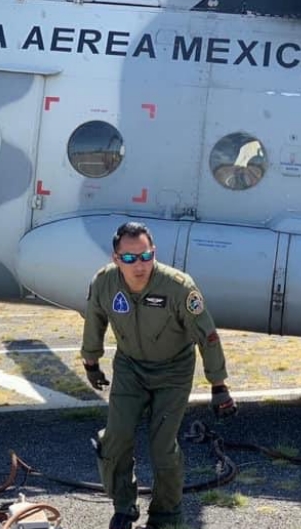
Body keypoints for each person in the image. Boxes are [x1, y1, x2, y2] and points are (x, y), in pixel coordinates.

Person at [81, 221, 237, 529]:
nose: (138, 265)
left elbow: (207, 335)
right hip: (130, 368)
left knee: (162, 446)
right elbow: (94, 319)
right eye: (129, 258)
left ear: (154, 253)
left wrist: (218, 385)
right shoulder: (105, 283)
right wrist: (91, 361)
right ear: (116, 259)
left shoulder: (178, 287)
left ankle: (166, 516)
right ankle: (124, 507)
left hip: (173, 372)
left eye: (145, 256)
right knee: (116, 439)